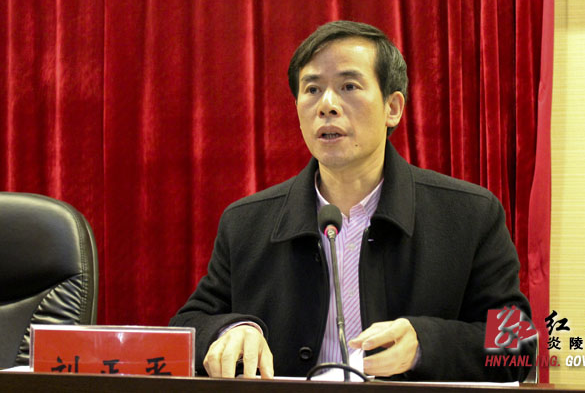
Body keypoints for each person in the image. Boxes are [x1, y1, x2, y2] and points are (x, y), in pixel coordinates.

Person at [170, 20, 534, 381]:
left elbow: (519, 345)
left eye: (348, 86)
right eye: (312, 89)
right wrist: (231, 330)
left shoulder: (469, 215)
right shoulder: (246, 222)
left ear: (393, 107)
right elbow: (187, 325)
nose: (327, 105)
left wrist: (425, 344)